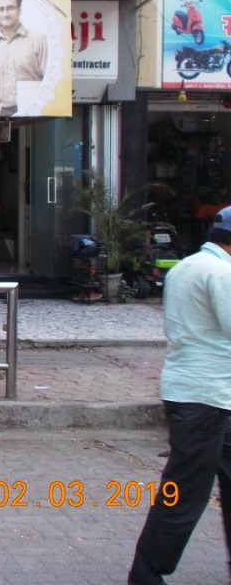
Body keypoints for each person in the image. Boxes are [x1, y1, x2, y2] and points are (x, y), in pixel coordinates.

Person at [127, 206, 231, 585]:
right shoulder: (222, 273)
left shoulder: (187, 266)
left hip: (202, 391)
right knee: (185, 493)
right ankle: (146, 573)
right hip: (206, 395)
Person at [0, 0, 48, 118]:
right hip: (6, 112)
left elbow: (48, 81)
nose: (5, 13)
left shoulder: (38, 40)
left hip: (36, 111)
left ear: (19, 10)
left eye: (10, 8)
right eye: (0, 9)